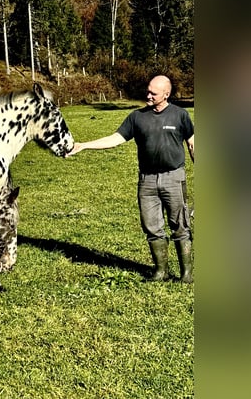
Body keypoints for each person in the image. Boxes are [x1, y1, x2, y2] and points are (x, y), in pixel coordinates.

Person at [68, 75, 195, 283]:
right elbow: (115, 139)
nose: (148, 95)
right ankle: (160, 271)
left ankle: (186, 274)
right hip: (147, 181)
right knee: (151, 227)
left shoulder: (180, 115)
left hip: (174, 178)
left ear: (166, 94)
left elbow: (192, 141)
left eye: (153, 93)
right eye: (148, 91)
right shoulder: (137, 117)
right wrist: (84, 145)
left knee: (180, 225)